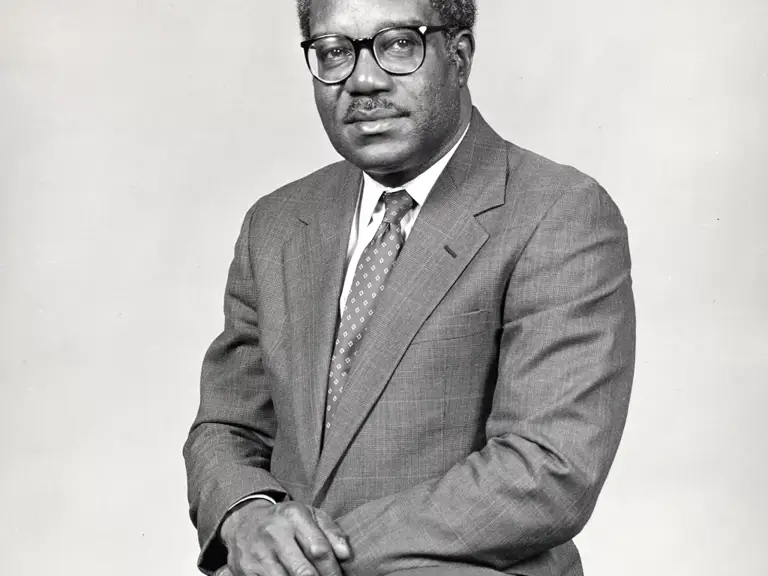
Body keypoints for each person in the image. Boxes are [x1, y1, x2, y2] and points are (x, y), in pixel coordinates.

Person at [183, 0, 636, 574]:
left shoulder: (558, 212)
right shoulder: (275, 223)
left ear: (460, 55)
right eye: (334, 52)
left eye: (399, 44)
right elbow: (227, 426)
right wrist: (246, 515)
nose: (363, 80)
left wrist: (308, 555)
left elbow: (548, 470)